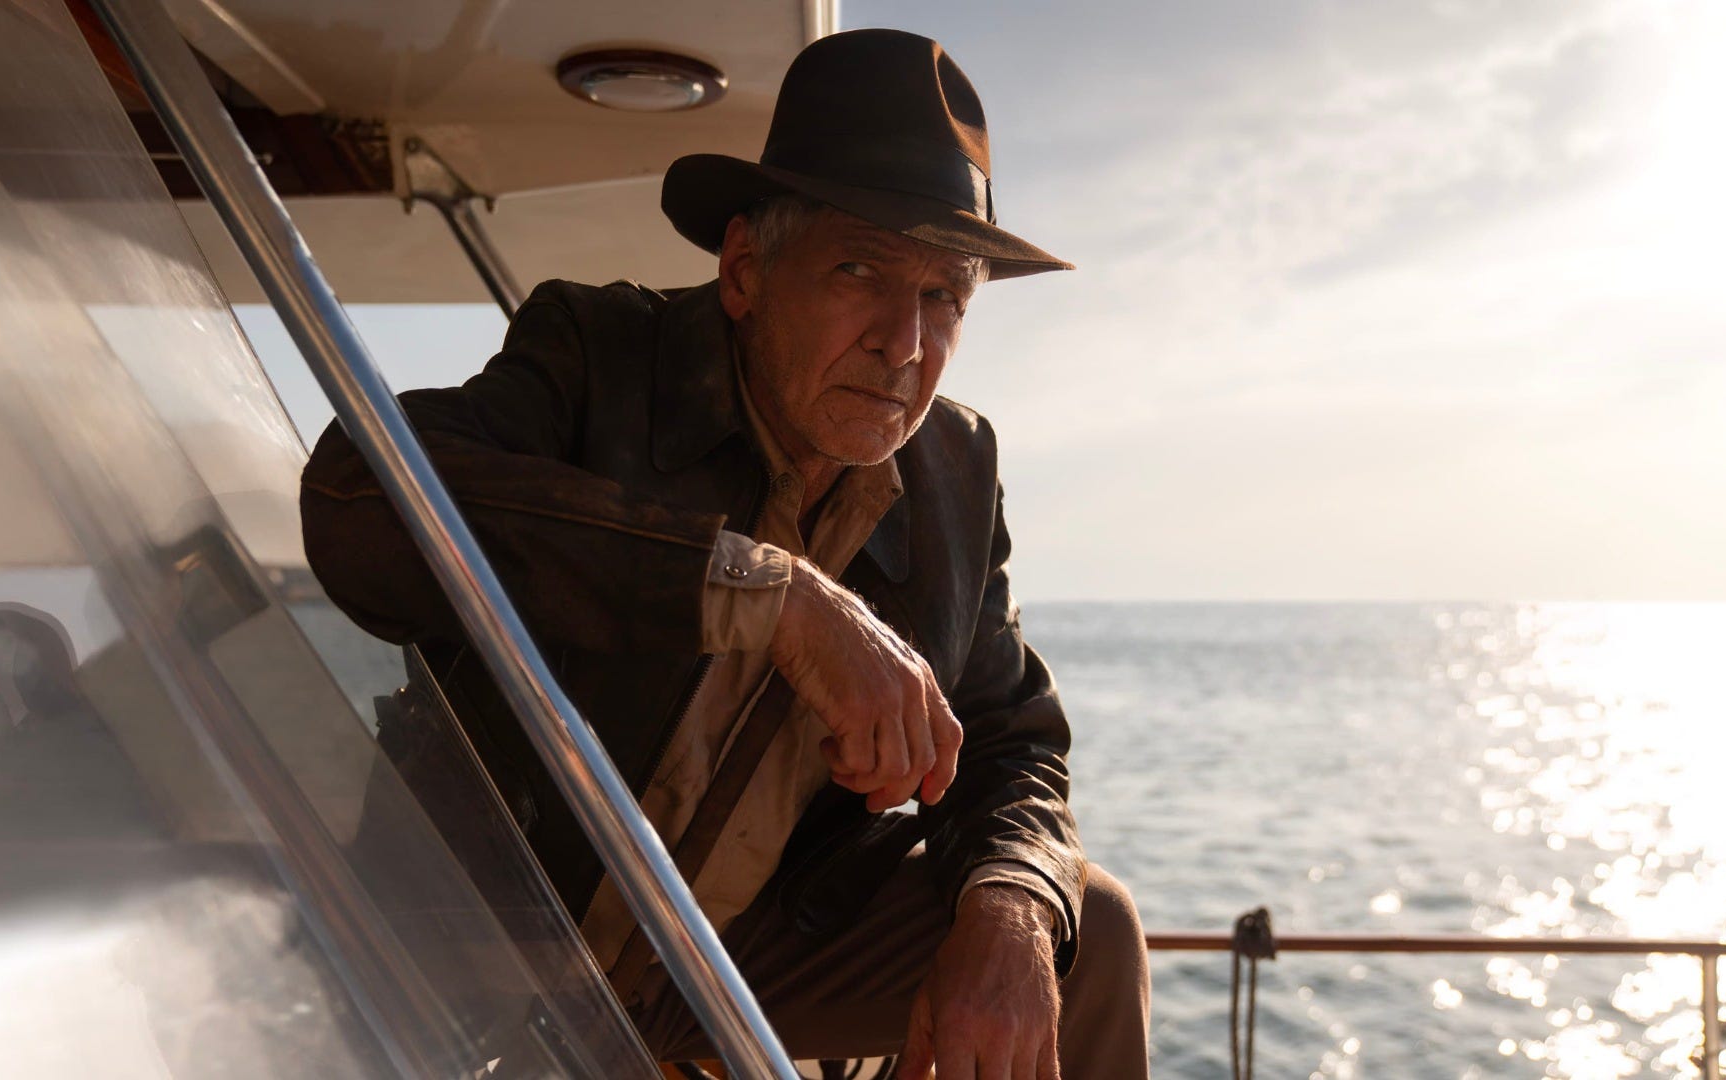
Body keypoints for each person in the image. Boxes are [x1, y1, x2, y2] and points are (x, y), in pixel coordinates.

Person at [301, 28, 1150, 1078]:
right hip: (483, 946)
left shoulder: (954, 472)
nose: (906, 343)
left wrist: (1013, 909)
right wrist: (770, 598)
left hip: (730, 965)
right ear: (746, 269)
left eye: (945, 298)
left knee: (1086, 929)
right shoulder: (599, 357)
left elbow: (1013, 740)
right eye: (861, 270)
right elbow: (356, 496)